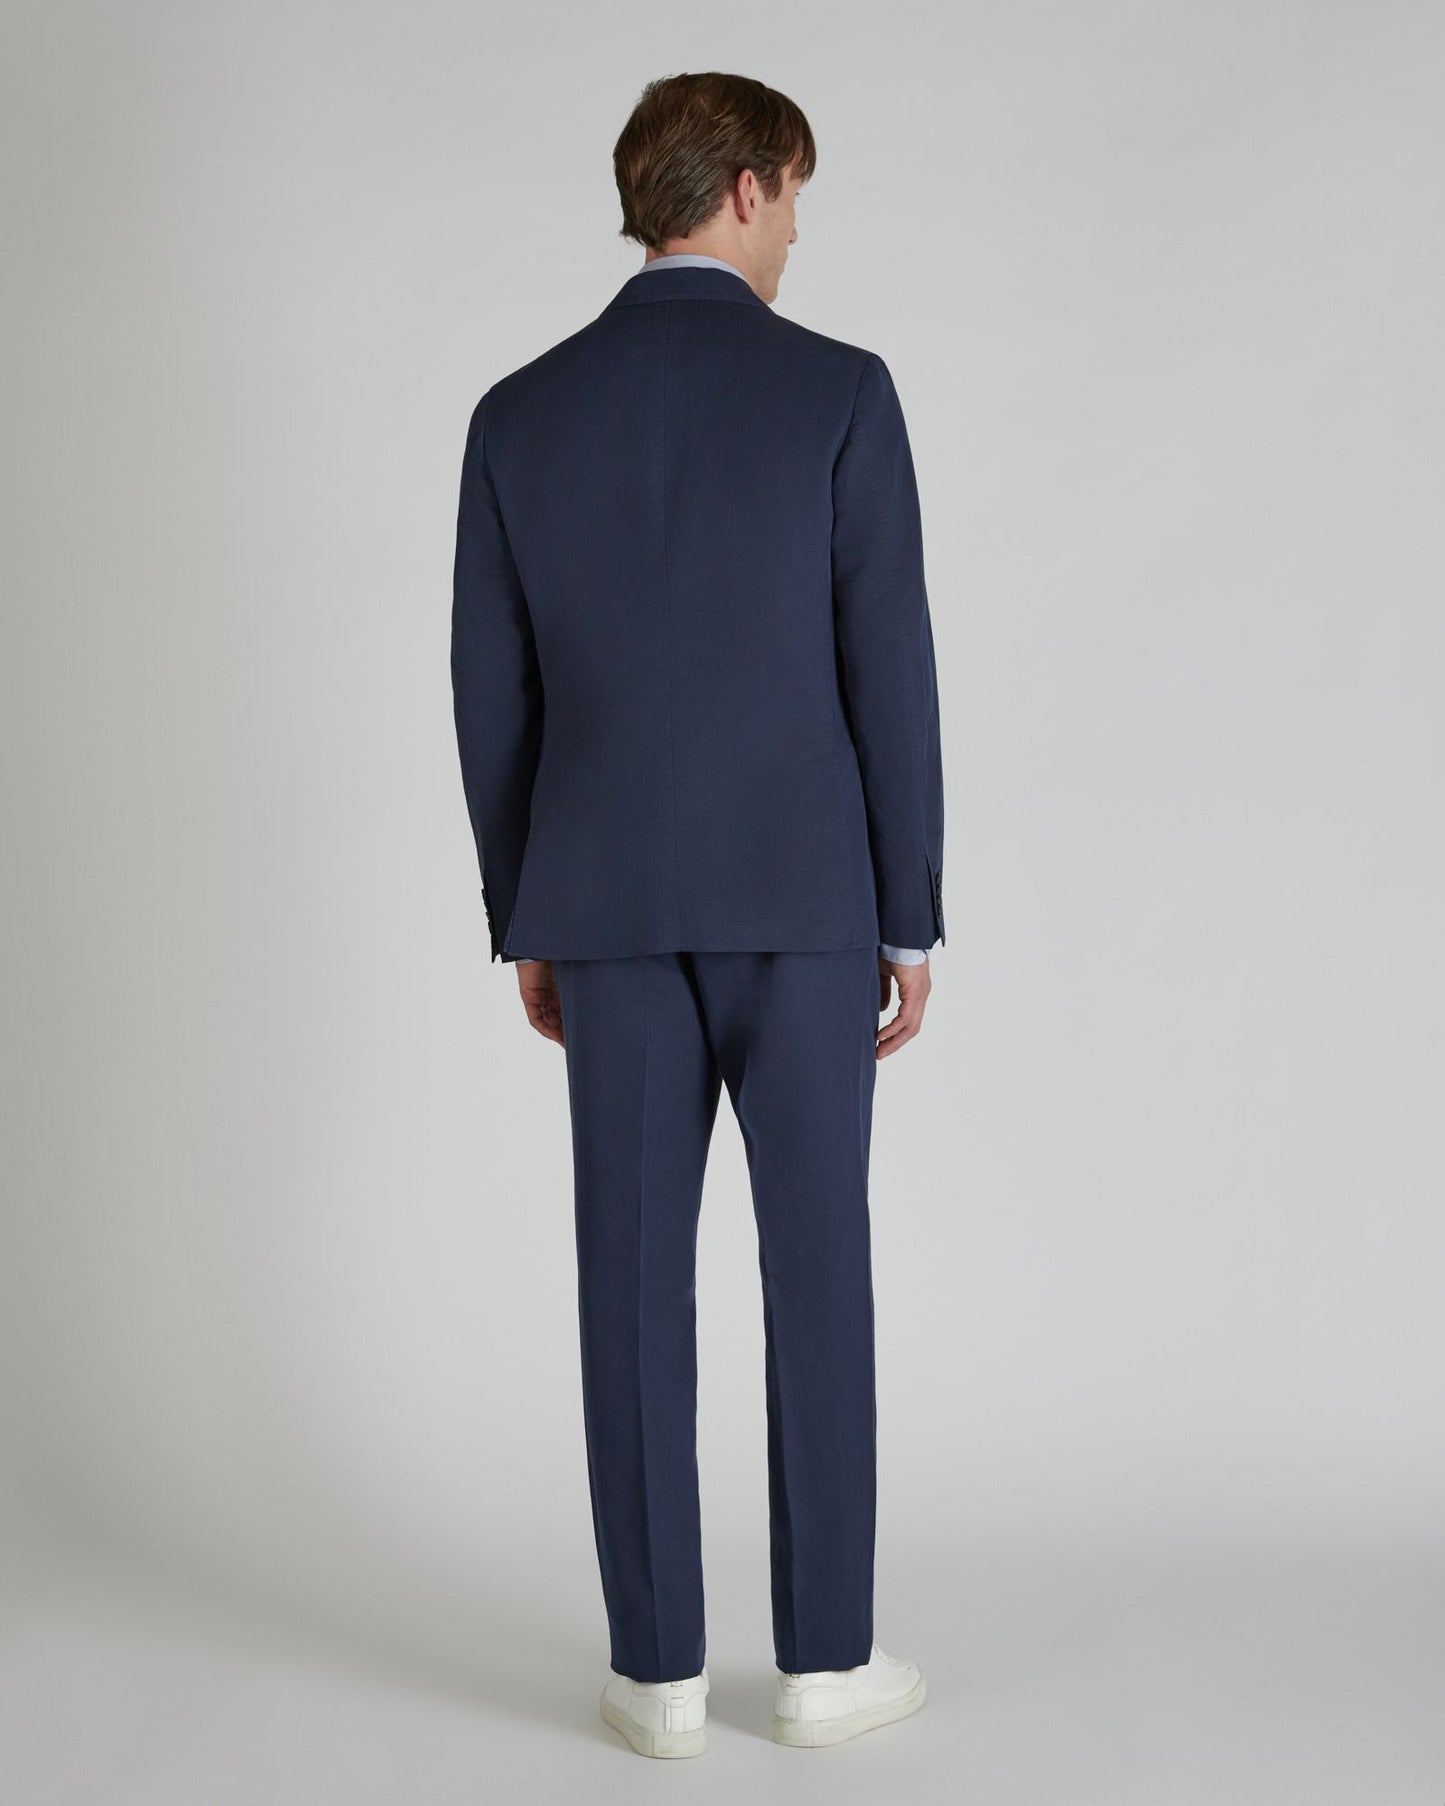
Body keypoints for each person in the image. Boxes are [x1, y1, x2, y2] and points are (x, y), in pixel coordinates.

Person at [451, 70, 943, 1758]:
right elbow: (888, 668)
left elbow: (492, 692)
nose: (797, 228)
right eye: (794, 193)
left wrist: (526, 911)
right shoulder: (839, 391)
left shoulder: (519, 413)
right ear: (742, 187)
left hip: (599, 905)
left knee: (627, 1281)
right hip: (805, 905)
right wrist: (908, 916)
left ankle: (656, 1676)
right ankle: (822, 1666)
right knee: (818, 1274)